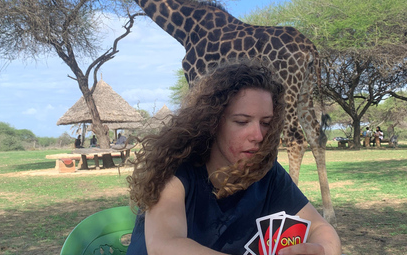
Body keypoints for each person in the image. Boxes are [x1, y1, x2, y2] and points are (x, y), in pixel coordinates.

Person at [126, 61, 341, 255]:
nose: (258, 136)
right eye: (241, 121)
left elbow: (320, 228)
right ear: (212, 122)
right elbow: (165, 245)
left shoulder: (267, 173)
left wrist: (320, 250)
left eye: (265, 123)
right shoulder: (176, 171)